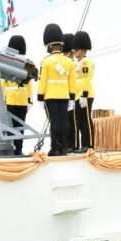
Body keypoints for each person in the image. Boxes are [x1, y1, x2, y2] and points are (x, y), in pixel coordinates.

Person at [38, 24, 74, 156]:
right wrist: (72, 97)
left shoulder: (46, 61)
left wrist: (40, 96)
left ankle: (55, 148)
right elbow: (72, 81)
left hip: (50, 96)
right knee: (64, 122)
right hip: (64, 95)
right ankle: (64, 147)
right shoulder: (69, 62)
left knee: (54, 122)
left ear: (49, 45)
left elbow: (42, 80)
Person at [1, 35, 32, 155]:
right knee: (20, 125)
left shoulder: (7, 62)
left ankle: (12, 148)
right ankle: (18, 149)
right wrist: (29, 99)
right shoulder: (27, 63)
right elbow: (29, 83)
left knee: (10, 126)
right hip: (22, 99)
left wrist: (2, 98)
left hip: (10, 98)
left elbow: (3, 82)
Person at [72, 31, 94, 153]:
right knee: (80, 122)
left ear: (83, 49)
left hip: (85, 95)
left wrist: (84, 95)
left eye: (76, 49)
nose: (75, 52)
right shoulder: (78, 63)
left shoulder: (86, 62)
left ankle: (89, 144)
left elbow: (86, 79)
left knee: (86, 120)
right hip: (78, 96)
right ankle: (83, 144)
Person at [62, 33, 78, 151]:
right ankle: (66, 144)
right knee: (65, 122)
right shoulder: (66, 63)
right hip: (64, 95)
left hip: (73, 96)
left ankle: (73, 144)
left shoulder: (74, 64)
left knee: (73, 121)